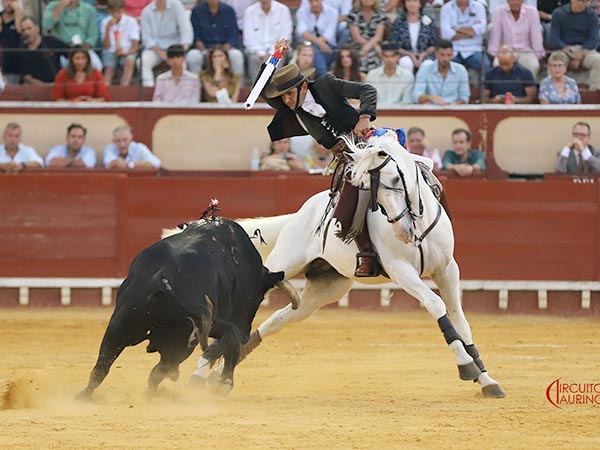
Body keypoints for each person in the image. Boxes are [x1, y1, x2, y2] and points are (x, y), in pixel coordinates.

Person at [257, 38, 378, 276]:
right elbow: (262, 86)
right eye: (282, 96)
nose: (286, 100)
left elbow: (367, 90)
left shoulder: (326, 84)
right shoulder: (287, 107)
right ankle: (365, 251)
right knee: (350, 193)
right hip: (345, 158)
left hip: (367, 143)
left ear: (303, 86)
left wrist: (364, 117)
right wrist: (276, 55)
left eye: (289, 94)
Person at [139, 0, 193, 87]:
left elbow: (186, 30)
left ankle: (183, 89)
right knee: (143, 60)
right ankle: (148, 90)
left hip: (175, 48)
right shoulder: (146, 11)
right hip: (156, 50)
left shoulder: (177, 6)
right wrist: (162, 53)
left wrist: (180, 51)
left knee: (182, 62)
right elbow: (146, 38)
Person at [186, 0, 244, 78]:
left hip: (225, 49)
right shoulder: (197, 11)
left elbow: (233, 36)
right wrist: (204, 52)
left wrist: (222, 52)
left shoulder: (229, 10)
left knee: (236, 55)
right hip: (204, 49)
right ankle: (196, 86)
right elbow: (196, 37)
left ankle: (236, 86)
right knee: (193, 56)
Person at [549, 0, 600, 90]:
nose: (581, 4)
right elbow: (554, 39)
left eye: (584, 2)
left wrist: (580, 54)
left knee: (598, 60)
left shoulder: (592, 15)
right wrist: (571, 54)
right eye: (579, 1)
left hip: (585, 50)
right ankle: (552, 92)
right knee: (554, 60)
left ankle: (595, 91)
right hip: (564, 49)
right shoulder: (558, 13)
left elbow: (593, 39)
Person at [487, 0, 545, 79]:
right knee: (497, 65)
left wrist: (539, 55)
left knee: (533, 65)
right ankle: (504, 90)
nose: (515, 2)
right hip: (505, 49)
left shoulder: (532, 12)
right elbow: (496, 36)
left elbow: (536, 36)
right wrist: (495, 54)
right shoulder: (499, 11)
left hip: (526, 50)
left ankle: (527, 89)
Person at [42, 0, 102, 71]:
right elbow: (47, 26)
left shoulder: (89, 9)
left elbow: (93, 34)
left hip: (82, 47)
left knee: (96, 64)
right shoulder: (52, 6)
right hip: (62, 48)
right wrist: (60, 6)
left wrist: (86, 46)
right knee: (64, 66)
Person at [439, 0, 490, 83]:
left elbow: (481, 29)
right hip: (453, 50)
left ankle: (482, 94)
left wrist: (456, 28)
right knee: (442, 65)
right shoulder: (446, 8)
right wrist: (471, 32)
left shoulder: (478, 7)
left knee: (486, 66)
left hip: (474, 50)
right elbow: (446, 34)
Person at [243, 0, 293, 83]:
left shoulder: (283, 10)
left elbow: (286, 36)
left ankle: (274, 90)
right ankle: (258, 91)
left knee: (277, 58)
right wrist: (262, 54)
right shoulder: (249, 11)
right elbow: (248, 39)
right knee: (253, 59)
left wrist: (271, 54)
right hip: (256, 53)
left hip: (277, 52)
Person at [412, 39, 471, 105]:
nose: (445, 59)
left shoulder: (461, 70)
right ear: (436, 54)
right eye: (442, 55)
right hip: (431, 109)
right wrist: (431, 97)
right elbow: (416, 96)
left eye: (449, 55)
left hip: (453, 109)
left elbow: (465, 96)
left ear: (453, 55)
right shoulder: (425, 69)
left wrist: (457, 103)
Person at [15, 16, 69, 85]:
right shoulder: (21, 51)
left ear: (37, 28)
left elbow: (72, 54)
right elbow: (27, 77)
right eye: (23, 30)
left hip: (57, 84)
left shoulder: (51, 41)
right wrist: (45, 86)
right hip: (36, 88)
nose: (26, 33)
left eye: (29, 28)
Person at [389, 0, 438, 73]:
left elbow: (434, 44)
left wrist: (423, 54)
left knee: (428, 64)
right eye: (408, 1)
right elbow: (394, 44)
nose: (411, 4)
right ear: (405, 3)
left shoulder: (428, 20)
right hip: (404, 54)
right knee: (405, 62)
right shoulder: (399, 21)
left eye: (415, 1)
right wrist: (410, 54)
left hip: (425, 54)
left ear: (420, 4)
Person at [101, 0, 140, 86]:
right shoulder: (105, 22)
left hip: (128, 51)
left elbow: (135, 45)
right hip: (111, 52)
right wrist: (108, 28)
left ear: (123, 10)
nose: (115, 14)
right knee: (109, 69)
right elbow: (106, 46)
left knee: (130, 62)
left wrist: (125, 52)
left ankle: (124, 87)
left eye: (118, 11)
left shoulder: (131, 21)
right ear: (109, 11)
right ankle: (105, 91)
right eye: (113, 12)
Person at [295, 0, 339, 76]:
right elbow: (302, 32)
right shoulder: (301, 12)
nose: (314, 4)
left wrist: (319, 43)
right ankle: (324, 77)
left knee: (315, 49)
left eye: (316, 1)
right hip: (307, 45)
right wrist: (319, 42)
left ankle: (322, 76)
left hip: (328, 47)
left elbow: (329, 33)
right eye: (311, 1)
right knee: (312, 48)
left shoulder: (333, 12)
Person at [365, 41, 414, 105]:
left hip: (400, 113)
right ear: (381, 56)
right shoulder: (372, 75)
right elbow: (369, 100)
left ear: (398, 57)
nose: (389, 60)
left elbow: (407, 101)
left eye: (392, 56)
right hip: (377, 112)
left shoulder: (407, 76)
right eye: (386, 56)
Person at [347, 0, 387, 74]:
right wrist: (370, 46)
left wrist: (369, 46)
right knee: (364, 56)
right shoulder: (353, 13)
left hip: (375, 44)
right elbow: (357, 38)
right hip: (357, 45)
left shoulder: (380, 13)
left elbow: (378, 36)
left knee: (374, 55)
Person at [0, 0, 22, 84]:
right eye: (6, 1)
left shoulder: (20, 18)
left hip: (14, 65)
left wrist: (17, 10)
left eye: (12, 0)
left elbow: (20, 30)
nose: (9, 3)